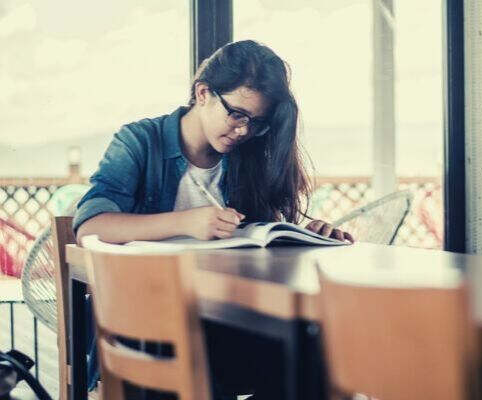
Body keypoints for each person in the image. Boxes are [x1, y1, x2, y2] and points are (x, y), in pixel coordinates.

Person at [74, 40, 353, 399]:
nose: (243, 131)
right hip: (147, 325)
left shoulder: (246, 157)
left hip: (224, 319)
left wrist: (303, 235)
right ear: (203, 92)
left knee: (314, 354)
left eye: (257, 123)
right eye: (236, 113)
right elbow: (90, 228)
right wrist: (185, 222)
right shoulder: (140, 141)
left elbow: (257, 239)